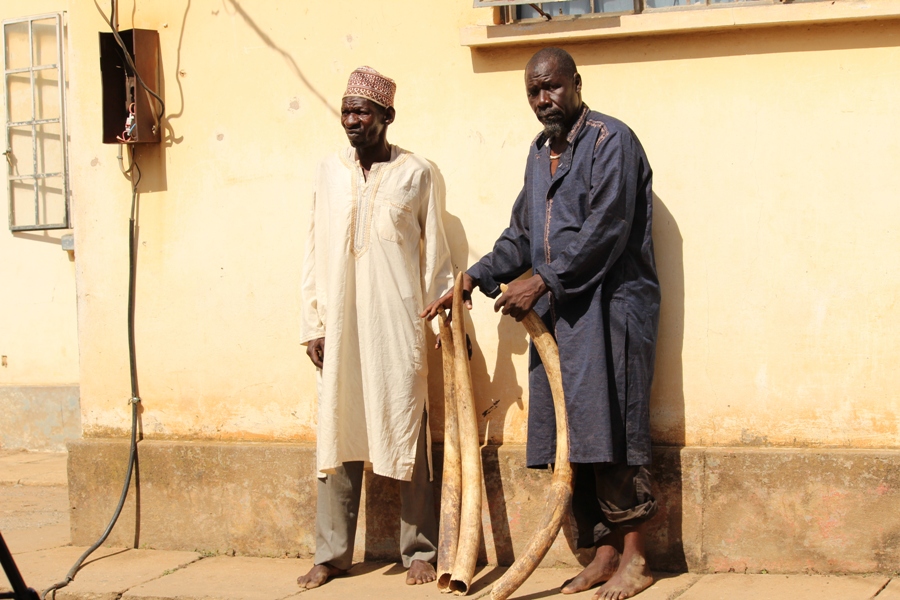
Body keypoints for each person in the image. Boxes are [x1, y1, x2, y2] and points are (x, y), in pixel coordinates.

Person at [422, 47, 660, 600]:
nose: (542, 100)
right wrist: (473, 277)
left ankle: (635, 558)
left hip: (612, 310)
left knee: (613, 430)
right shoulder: (539, 153)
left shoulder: (611, 142)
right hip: (562, 318)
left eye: (551, 87)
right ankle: (600, 553)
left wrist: (544, 279)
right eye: (533, 91)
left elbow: (606, 229)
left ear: (576, 83)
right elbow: (521, 236)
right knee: (574, 436)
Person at [298, 66, 453, 589]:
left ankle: (419, 550)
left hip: (397, 324)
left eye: (362, 111)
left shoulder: (418, 172)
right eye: (346, 111)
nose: (351, 120)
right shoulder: (327, 171)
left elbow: (438, 253)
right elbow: (313, 249)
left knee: (404, 426)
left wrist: (436, 321)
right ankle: (332, 553)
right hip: (341, 324)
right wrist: (312, 323)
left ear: (387, 116)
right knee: (339, 430)